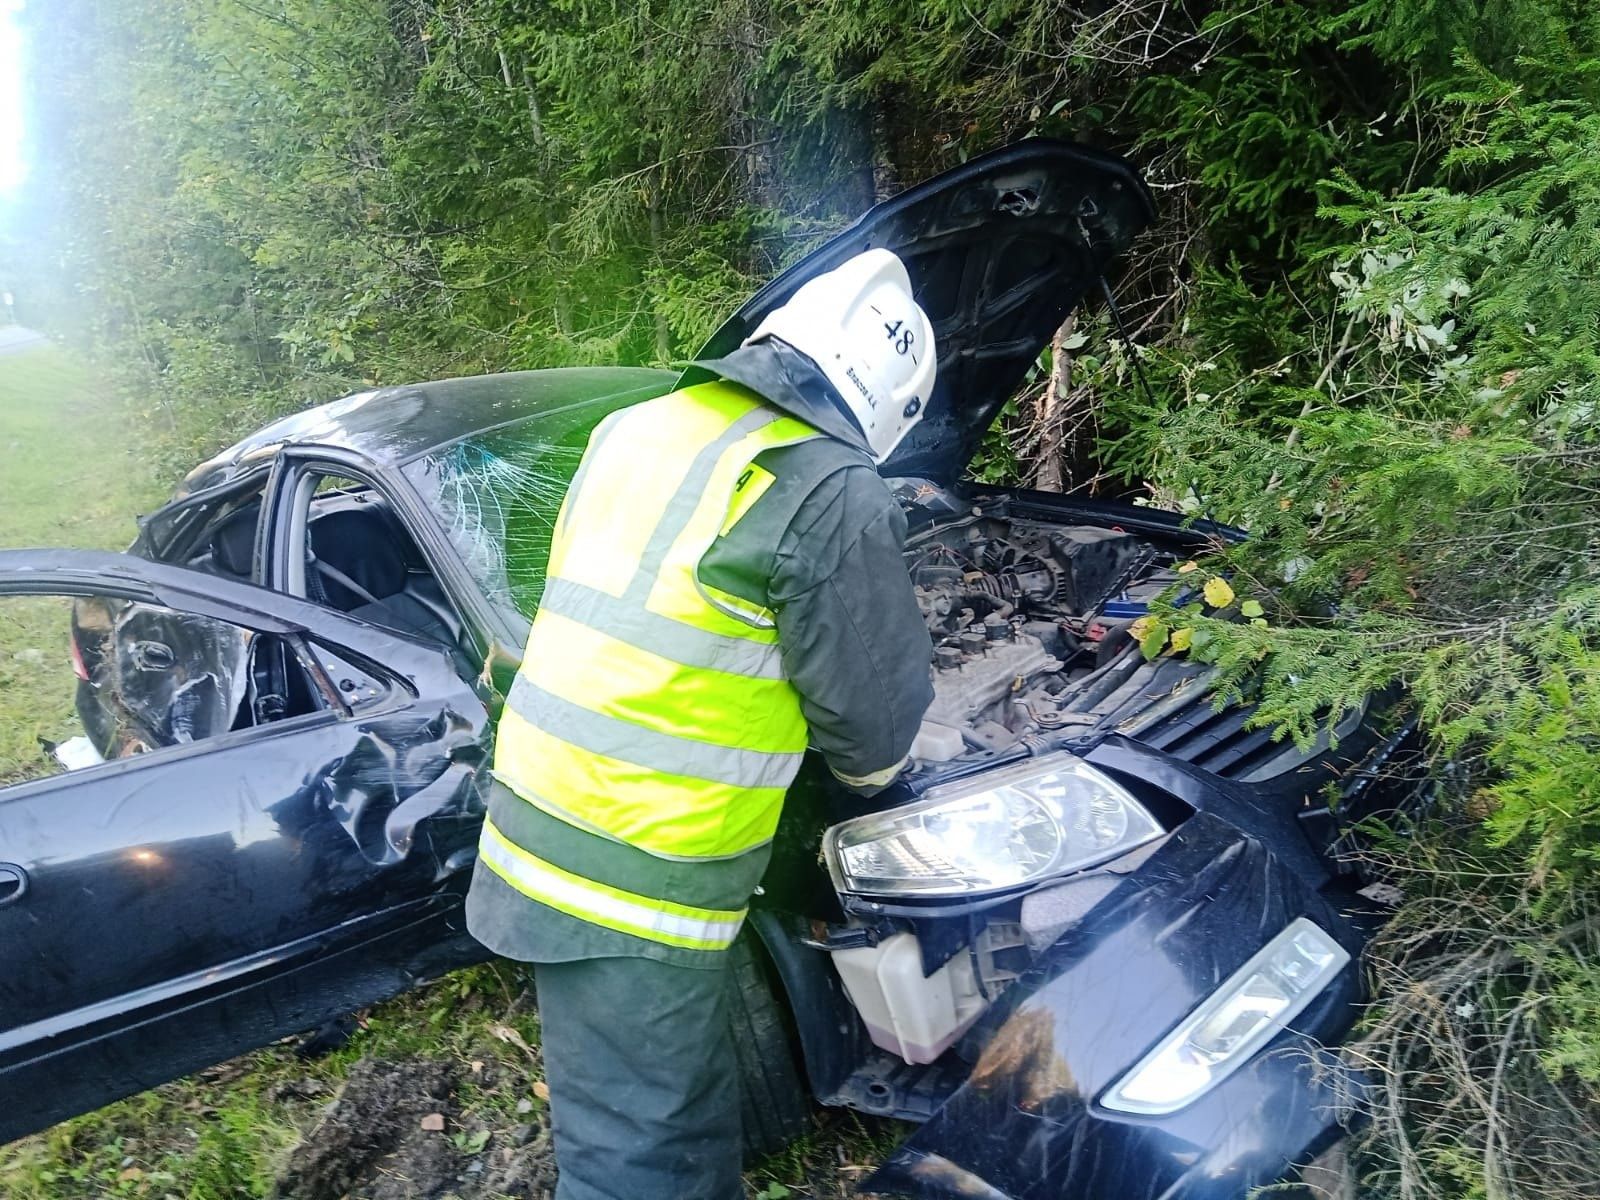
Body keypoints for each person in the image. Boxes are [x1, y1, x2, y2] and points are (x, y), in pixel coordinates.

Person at [464, 248, 937, 1200]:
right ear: (890, 409)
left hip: (542, 812)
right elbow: (874, 734)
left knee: (648, 1109)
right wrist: (874, 781)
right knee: (646, 1157)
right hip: (637, 866)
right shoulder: (829, 485)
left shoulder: (641, 425)